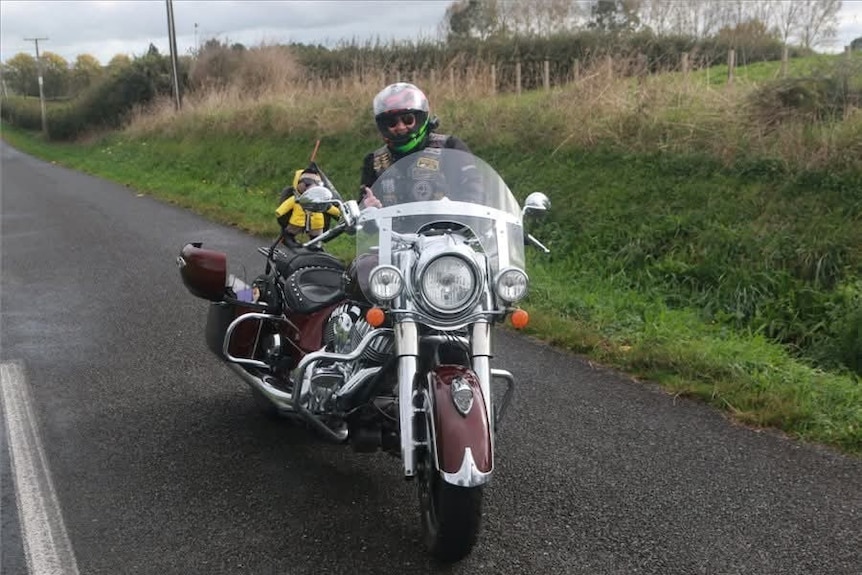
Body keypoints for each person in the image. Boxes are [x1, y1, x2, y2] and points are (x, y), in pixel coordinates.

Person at [359, 82, 474, 208]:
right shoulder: (374, 161)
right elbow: (363, 207)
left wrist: (456, 208)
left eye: (408, 119)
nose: (400, 127)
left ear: (420, 118)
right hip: (392, 227)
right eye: (392, 122)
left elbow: (474, 190)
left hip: (446, 225)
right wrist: (367, 207)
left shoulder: (449, 147)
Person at [275, 166, 340, 247]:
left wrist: (338, 213)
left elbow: (329, 208)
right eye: (307, 183)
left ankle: (315, 244)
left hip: (316, 223)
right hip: (297, 221)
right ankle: (288, 239)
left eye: (317, 183)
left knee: (316, 234)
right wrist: (279, 212)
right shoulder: (296, 199)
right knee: (292, 229)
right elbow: (284, 207)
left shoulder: (320, 200)